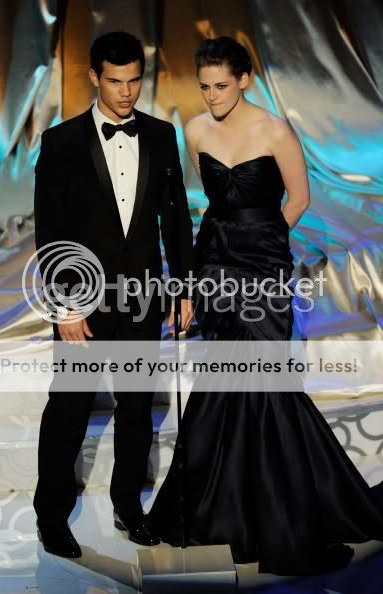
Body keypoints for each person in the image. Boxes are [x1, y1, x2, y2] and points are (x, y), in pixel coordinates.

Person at [149, 36, 383, 576]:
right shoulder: (196, 131)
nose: (211, 97)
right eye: (204, 87)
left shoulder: (275, 130)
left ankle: (289, 517)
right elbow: (203, 202)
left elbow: (297, 198)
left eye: (221, 86)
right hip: (214, 266)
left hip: (263, 266)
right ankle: (225, 512)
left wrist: (267, 246)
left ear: (245, 79)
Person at [33, 31, 194, 558]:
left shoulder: (162, 135)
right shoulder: (60, 143)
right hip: (83, 302)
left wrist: (184, 286)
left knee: (134, 410)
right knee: (68, 410)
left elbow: (175, 220)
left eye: (134, 81)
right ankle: (51, 518)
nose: (126, 92)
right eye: (115, 81)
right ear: (93, 77)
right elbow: (50, 231)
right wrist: (64, 305)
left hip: (143, 298)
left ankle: (130, 506)